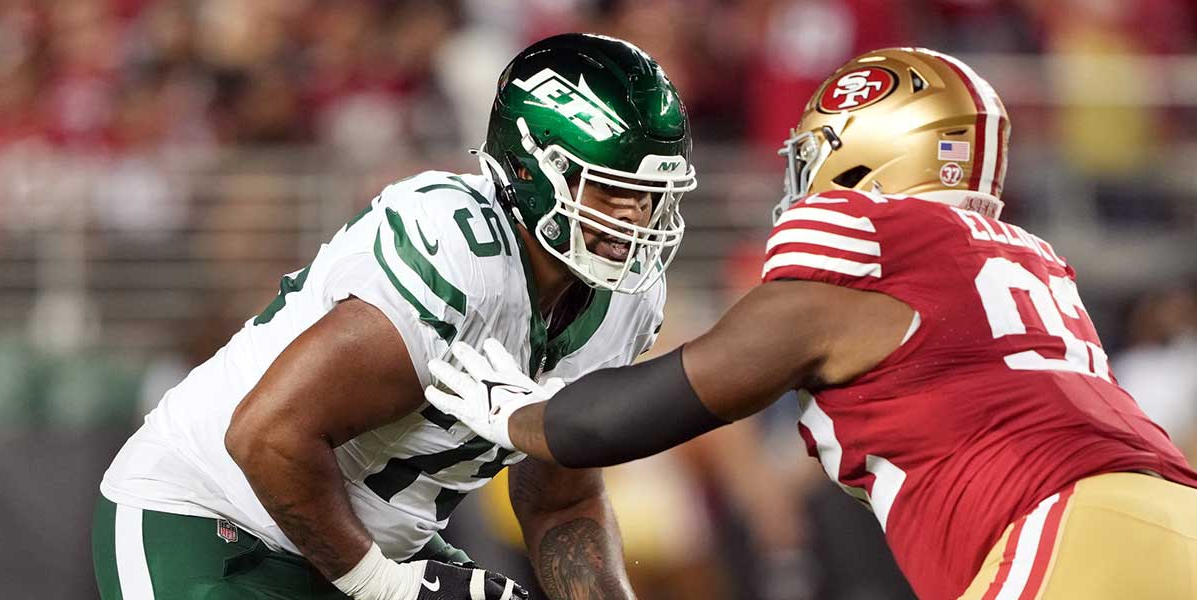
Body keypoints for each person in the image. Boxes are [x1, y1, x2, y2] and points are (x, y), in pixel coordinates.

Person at [424, 47, 1197, 600]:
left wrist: (512, 407)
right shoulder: (1027, 259)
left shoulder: (862, 253)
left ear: (867, 159)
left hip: (1059, 532)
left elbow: (622, 420)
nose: (802, 186)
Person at [93, 33, 697, 600]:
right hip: (212, 520)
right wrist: (388, 587)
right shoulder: (456, 253)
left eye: (652, 196)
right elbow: (268, 437)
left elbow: (561, 502)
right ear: (532, 170)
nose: (638, 220)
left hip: (363, 550)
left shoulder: (626, 301)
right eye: (611, 189)